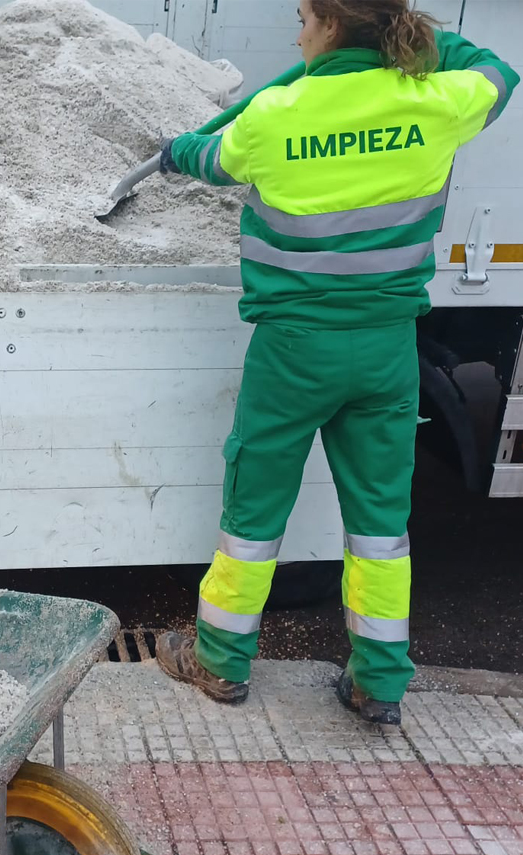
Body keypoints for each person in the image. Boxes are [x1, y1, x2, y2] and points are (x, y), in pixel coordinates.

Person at [153, 0, 517, 724]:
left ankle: (222, 661)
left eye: (304, 19)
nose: (296, 34)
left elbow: (209, 159)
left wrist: (173, 151)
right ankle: (378, 683)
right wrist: (416, 42)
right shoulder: (434, 102)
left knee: (254, 512)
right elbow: (497, 72)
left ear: (328, 26)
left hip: (293, 351)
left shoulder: (275, 114)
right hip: (386, 350)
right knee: (381, 524)